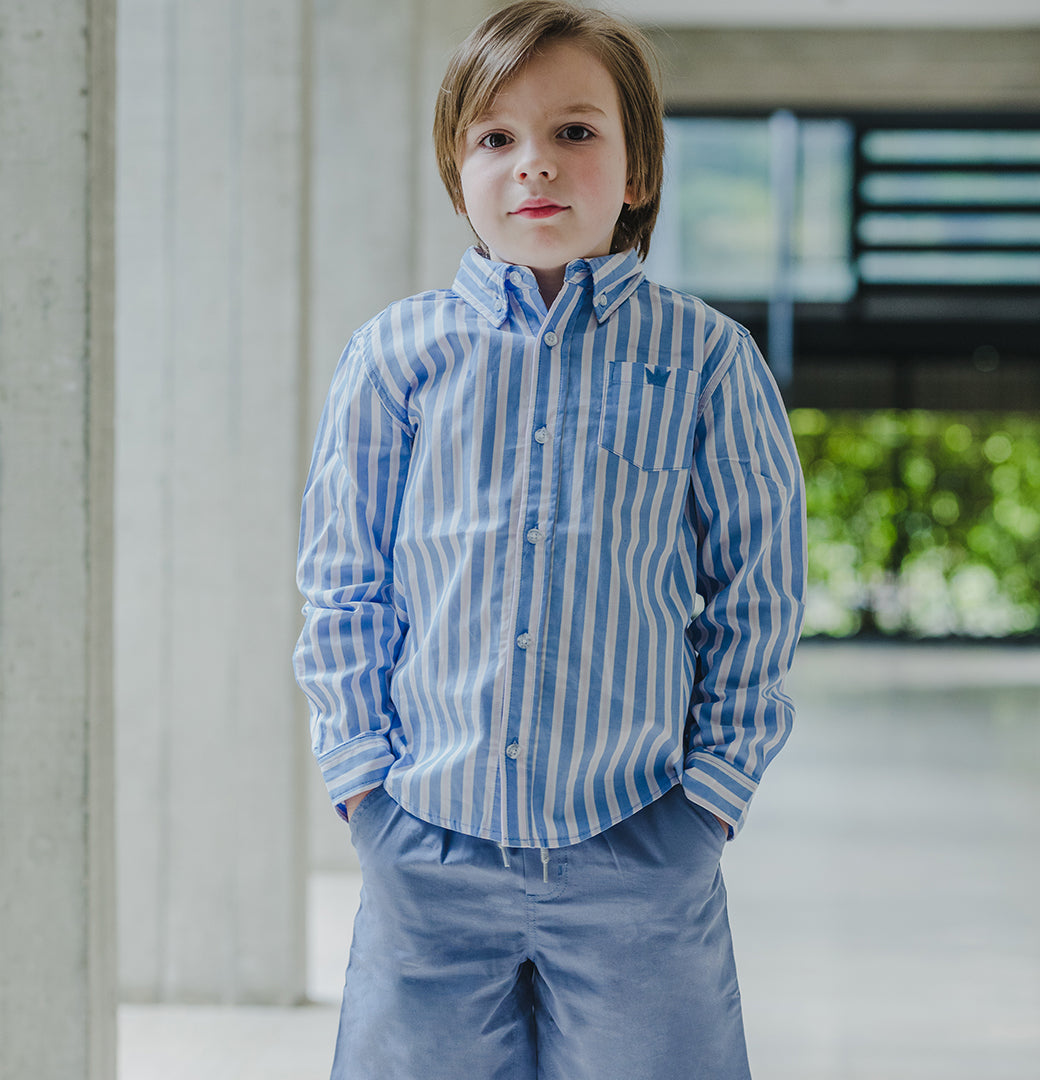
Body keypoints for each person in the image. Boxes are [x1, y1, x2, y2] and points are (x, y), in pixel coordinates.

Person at [293, 2, 806, 1077]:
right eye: (497, 138)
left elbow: (757, 592)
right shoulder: (395, 359)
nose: (536, 166)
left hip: (638, 842)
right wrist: (364, 788)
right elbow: (347, 584)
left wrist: (707, 801)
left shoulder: (708, 364)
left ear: (637, 172)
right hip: (427, 839)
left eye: (576, 132)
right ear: (459, 171)